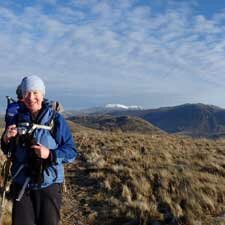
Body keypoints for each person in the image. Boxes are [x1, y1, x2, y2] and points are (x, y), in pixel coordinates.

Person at [1, 75, 77, 225]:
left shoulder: (55, 120)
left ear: (42, 94)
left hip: (49, 184)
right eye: (27, 93)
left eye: (35, 92)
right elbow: (8, 150)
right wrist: (5, 139)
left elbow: (71, 151)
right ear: (22, 95)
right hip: (21, 183)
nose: (31, 97)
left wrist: (50, 154)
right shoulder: (16, 119)